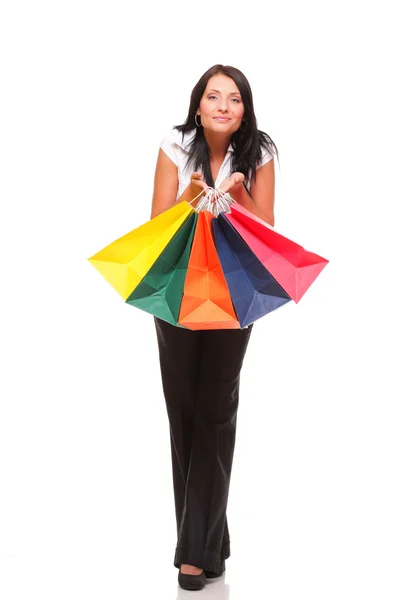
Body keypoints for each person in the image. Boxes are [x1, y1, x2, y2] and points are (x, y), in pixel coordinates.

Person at [150, 64, 278, 591]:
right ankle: (209, 545)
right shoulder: (177, 144)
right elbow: (155, 224)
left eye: (235, 98)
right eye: (213, 96)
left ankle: (191, 557)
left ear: (244, 109)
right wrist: (192, 195)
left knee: (216, 409)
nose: (224, 105)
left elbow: (267, 232)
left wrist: (239, 191)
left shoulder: (260, 152)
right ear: (198, 105)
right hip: (176, 289)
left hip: (234, 291)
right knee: (183, 409)